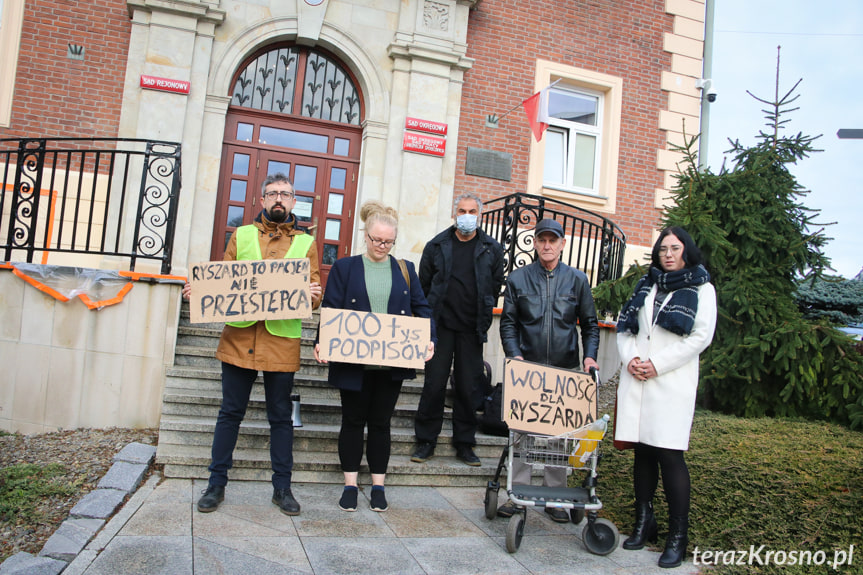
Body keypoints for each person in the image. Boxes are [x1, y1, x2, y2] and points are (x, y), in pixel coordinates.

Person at [184, 173, 323, 516]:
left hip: (281, 340)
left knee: (280, 417)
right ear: (262, 200)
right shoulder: (242, 234)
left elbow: (315, 291)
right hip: (239, 337)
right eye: (273, 193)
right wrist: (200, 292)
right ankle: (216, 485)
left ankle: (282, 489)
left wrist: (312, 296)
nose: (279, 198)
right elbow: (223, 278)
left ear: (294, 202)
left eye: (286, 194)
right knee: (230, 413)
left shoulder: (307, 244)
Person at [314, 200, 436, 513]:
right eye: (375, 240)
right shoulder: (345, 267)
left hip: (389, 364)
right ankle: (351, 484)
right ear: (365, 235)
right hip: (353, 362)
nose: (381, 246)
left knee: (381, 423)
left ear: (394, 240)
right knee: (352, 421)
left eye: (387, 241)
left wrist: (429, 339)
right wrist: (321, 341)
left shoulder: (406, 270)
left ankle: (379, 485)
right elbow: (331, 307)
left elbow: (422, 309)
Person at [614, 226, 716, 569]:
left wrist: (656, 364)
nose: (668, 254)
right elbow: (625, 329)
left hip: (670, 383)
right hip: (637, 379)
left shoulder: (702, 288)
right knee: (642, 453)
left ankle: (677, 538)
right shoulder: (647, 284)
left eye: (675, 248)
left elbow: (700, 337)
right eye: (663, 249)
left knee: (670, 456)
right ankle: (643, 523)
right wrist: (631, 360)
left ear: (687, 250)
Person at [498, 218, 600, 523]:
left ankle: (556, 497)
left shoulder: (577, 280)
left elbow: (591, 325)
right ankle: (518, 494)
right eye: (541, 239)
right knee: (522, 434)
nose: (547, 245)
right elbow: (508, 324)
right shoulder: (518, 280)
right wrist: (514, 356)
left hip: (565, 369)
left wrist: (590, 358)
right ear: (535, 242)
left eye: (552, 240)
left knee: (560, 436)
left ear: (562, 244)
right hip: (528, 369)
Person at [411, 193, 505, 466]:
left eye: (472, 211)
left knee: (468, 387)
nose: (467, 215)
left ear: (480, 214)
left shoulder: (492, 249)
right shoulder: (437, 245)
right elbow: (424, 285)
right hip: (439, 328)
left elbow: (494, 286)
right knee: (434, 385)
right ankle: (425, 440)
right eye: (462, 210)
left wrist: (484, 317)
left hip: (471, 329)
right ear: (455, 214)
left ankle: (465, 443)